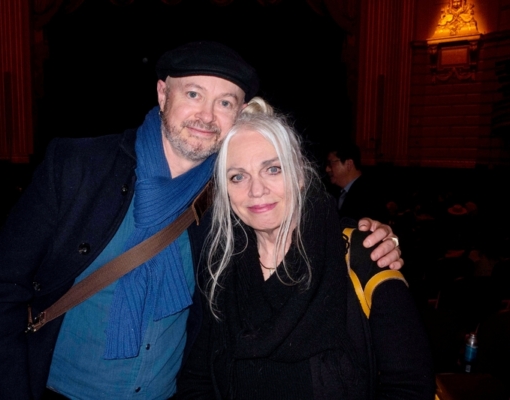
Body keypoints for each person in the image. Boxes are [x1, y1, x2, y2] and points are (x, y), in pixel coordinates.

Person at [0, 42, 402, 400]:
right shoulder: (80, 167)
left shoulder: (227, 195)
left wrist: (361, 231)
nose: (207, 116)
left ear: (238, 114)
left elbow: (289, 211)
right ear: (162, 94)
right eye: (193, 94)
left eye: (224, 102)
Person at [177, 98, 433, 399]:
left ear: (299, 175)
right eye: (238, 176)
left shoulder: (363, 254)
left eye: (273, 169)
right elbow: (196, 379)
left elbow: (410, 385)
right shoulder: (218, 268)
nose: (256, 190)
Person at [326, 142, 388, 223]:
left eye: (331, 163)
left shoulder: (369, 194)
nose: (327, 169)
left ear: (349, 164)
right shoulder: (335, 192)